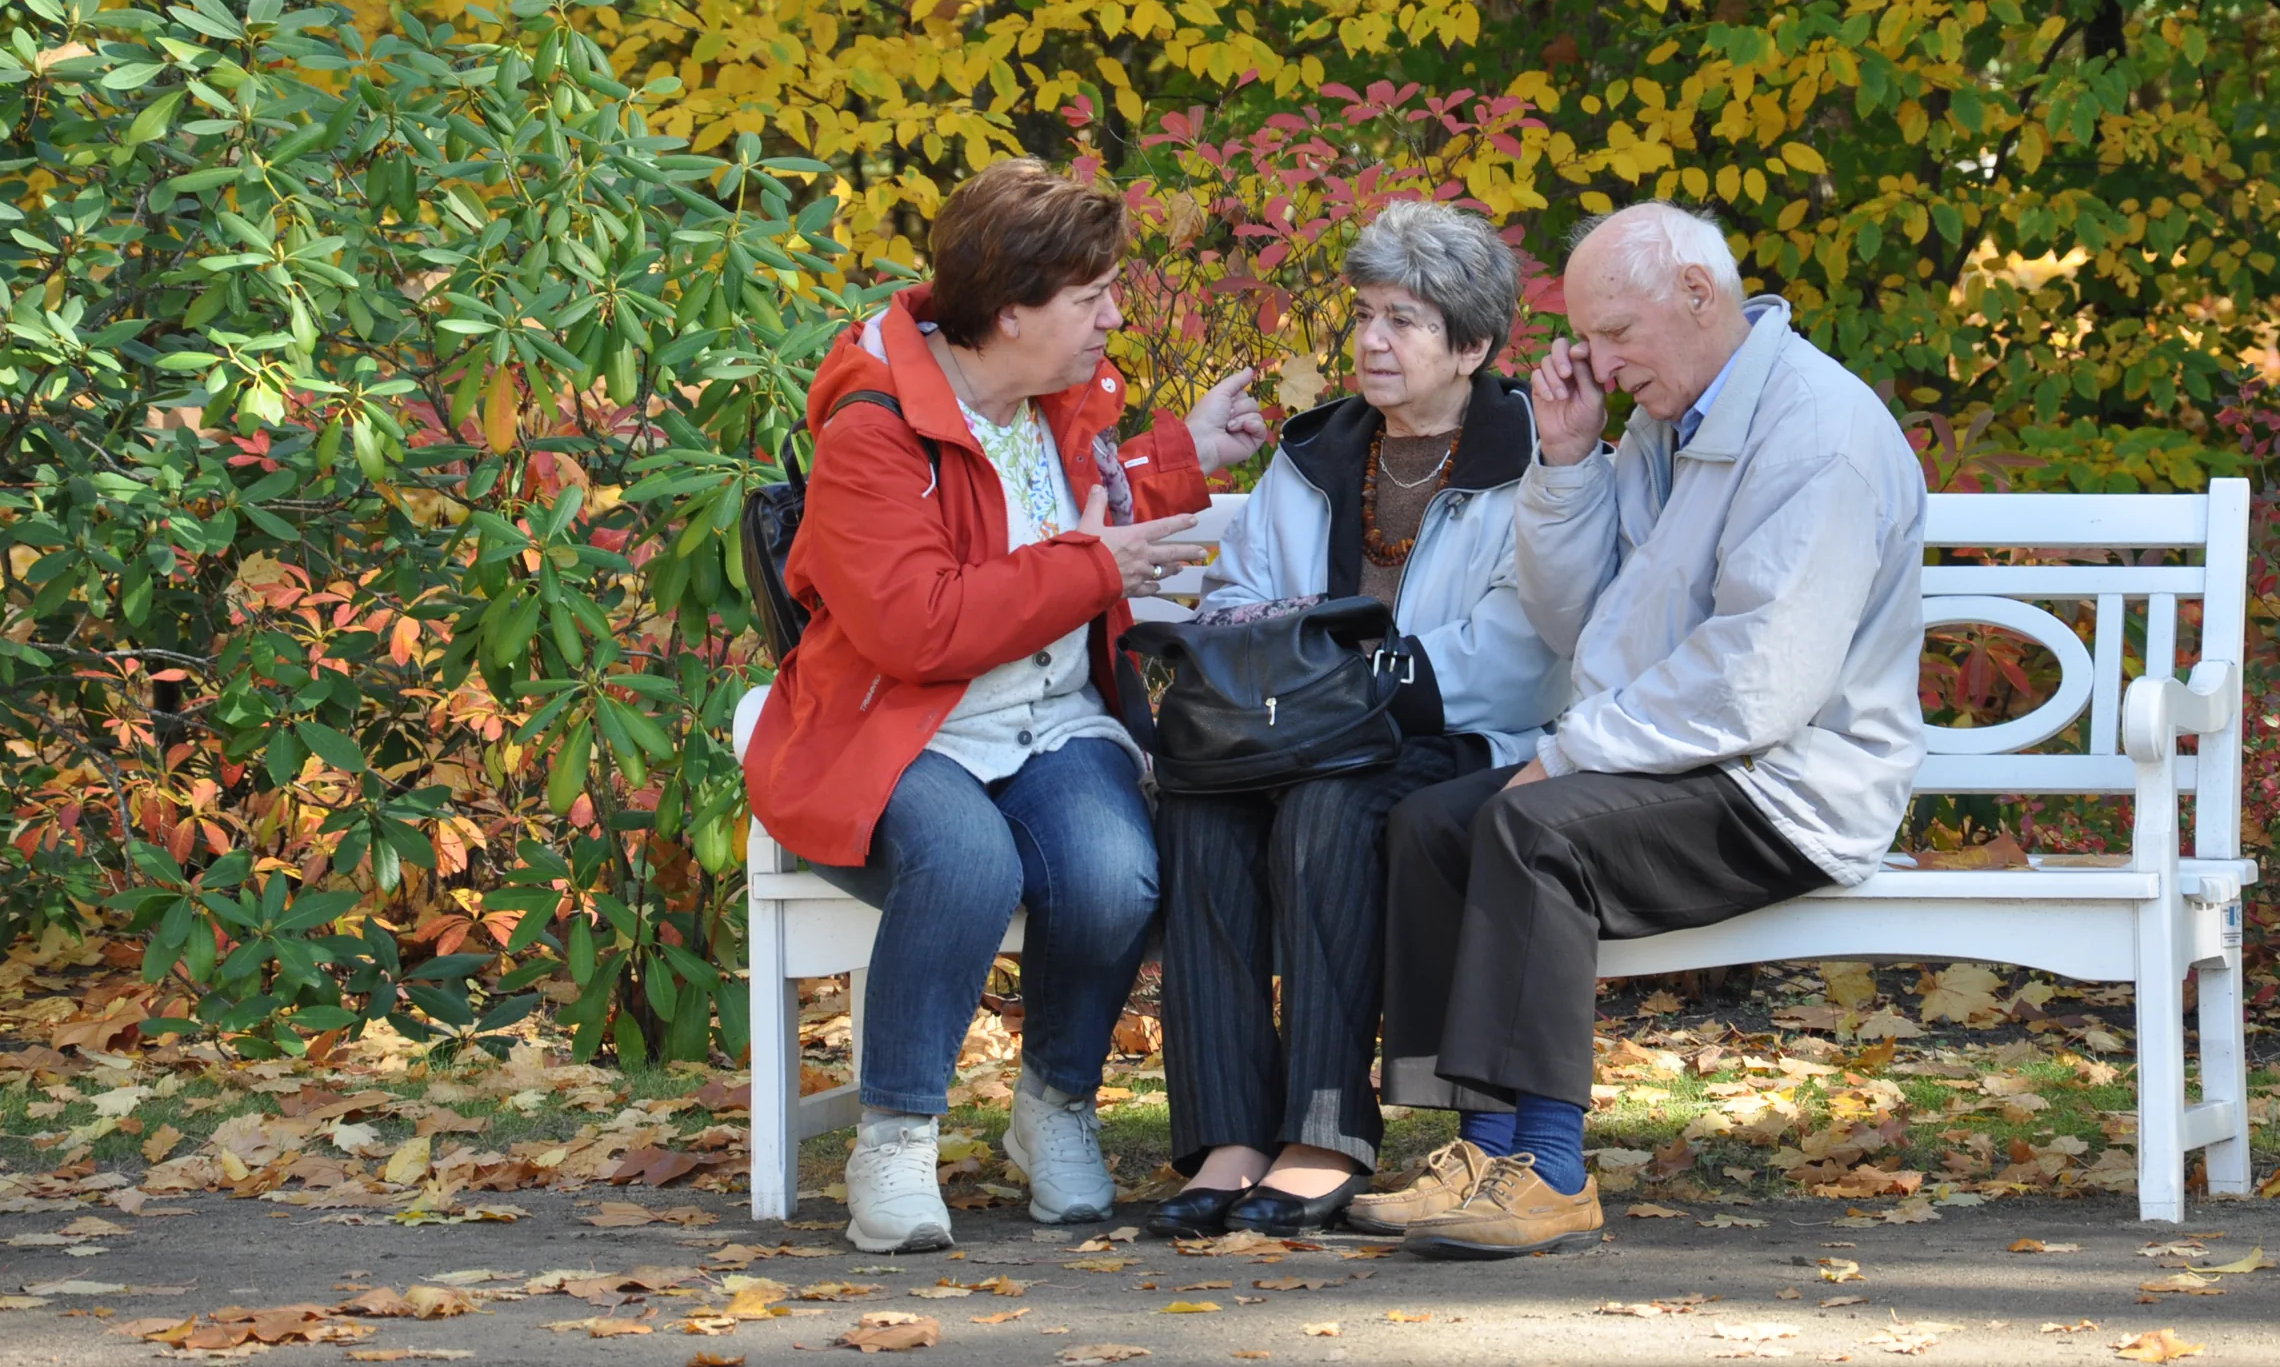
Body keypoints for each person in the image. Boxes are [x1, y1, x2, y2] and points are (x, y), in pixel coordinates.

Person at [1362, 201, 1927, 1258]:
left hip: (1789, 785)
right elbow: (1586, 622)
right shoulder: (1675, 421)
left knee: (1534, 830)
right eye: (1587, 337)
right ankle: (1486, 1150)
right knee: (1432, 821)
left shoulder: (1817, 432)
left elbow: (1762, 680)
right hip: (1689, 759)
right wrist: (1569, 463)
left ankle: (1550, 1170)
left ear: (1698, 296)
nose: (1602, 362)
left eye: (1617, 332)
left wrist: (1566, 755)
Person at [743, 158, 1268, 1253]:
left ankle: (1054, 1104)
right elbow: (914, 626)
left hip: (1050, 718)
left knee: (1114, 869)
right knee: (970, 860)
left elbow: (1084, 498)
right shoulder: (875, 430)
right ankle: (894, 1135)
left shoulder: (1050, 400)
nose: (1111, 318)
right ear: (1012, 307)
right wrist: (1094, 568)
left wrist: (1183, 453)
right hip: (900, 726)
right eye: (1091, 298)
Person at [1145, 202, 1570, 1240]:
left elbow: (1517, 653)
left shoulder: (1528, 458)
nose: (1373, 340)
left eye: (1406, 321)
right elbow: (1241, 595)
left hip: (1453, 738)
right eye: (1366, 314)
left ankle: (1327, 1129)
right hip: (1297, 728)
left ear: (1470, 345)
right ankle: (1227, 1133)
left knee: (1330, 810)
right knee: (1204, 806)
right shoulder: (1316, 454)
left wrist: (1358, 682)